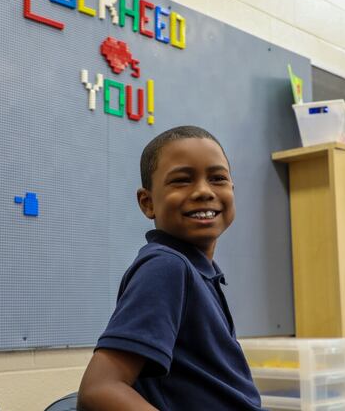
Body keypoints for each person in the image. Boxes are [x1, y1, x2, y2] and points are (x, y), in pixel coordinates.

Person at [77, 126, 263, 410]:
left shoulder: (199, 271)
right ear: (147, 202)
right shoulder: (167, 267)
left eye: (218, 178)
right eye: (182, 181)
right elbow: (100, 389)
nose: (204, 191)